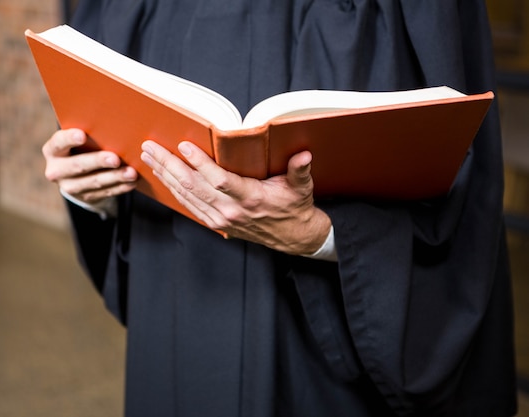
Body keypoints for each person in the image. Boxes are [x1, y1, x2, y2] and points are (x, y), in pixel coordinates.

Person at [42, 1, 518, 416]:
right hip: (169, 309)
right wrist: (93, 186)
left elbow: (461, 183)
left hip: (321, 360)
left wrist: (323, 236)